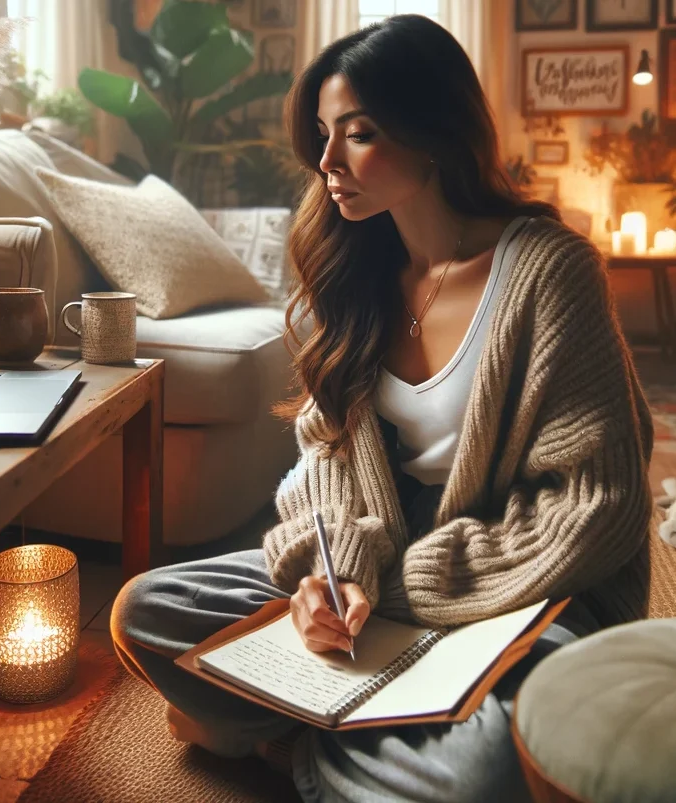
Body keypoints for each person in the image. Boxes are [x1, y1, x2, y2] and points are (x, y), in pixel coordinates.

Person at [111, 14, 654, 802]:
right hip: (377, 568)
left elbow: (595, 503)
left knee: (481, 775)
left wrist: (398, 583)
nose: (326, 161)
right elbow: (324, 453)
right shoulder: (352, 270)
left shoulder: (546, 272)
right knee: (148, 608)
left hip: (523, 586)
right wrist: (331, 570)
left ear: (430, 132)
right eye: (325, 134)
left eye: (358, 134)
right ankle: (331, 730)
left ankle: (281, 739)